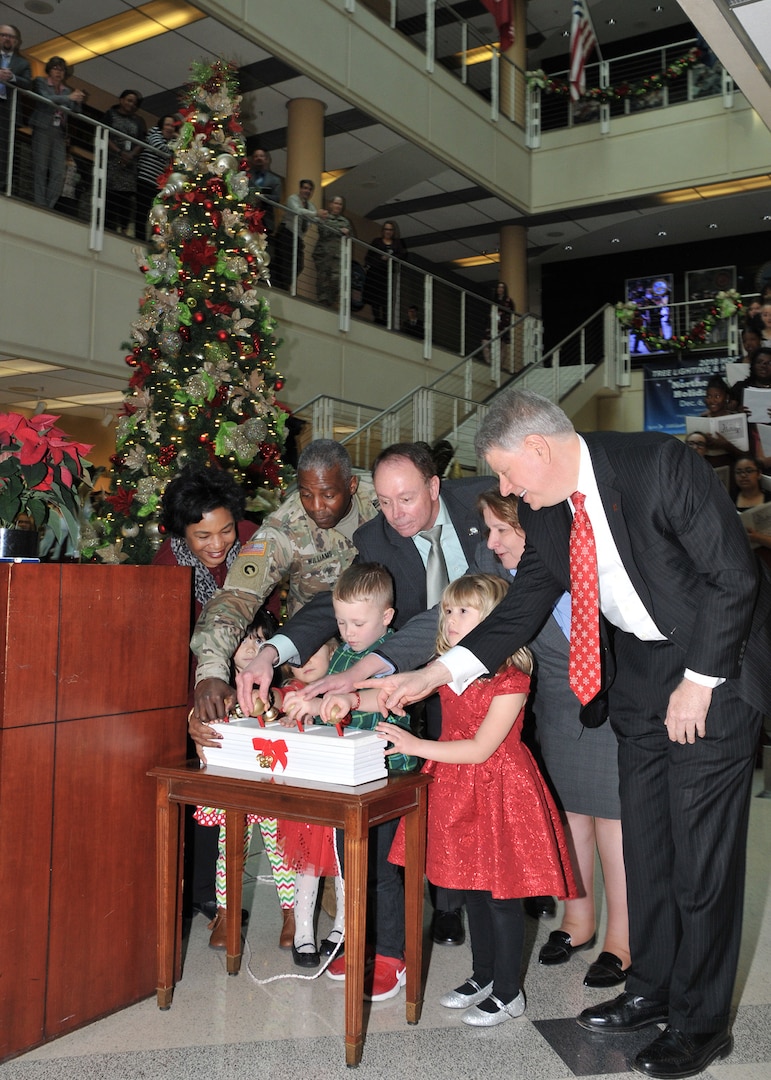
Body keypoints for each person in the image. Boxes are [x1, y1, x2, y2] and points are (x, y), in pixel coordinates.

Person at [366, 388, 771, 1080]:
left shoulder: (659, 465)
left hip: (714, 667)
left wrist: (698, 682)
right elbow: (521, 604)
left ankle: (700, 1024)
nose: (501, 489)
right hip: (641, 677)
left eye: (504, 472)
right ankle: (650, 990)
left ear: (537, 448)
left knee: (700, 857)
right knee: (646, 846)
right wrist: (436, 672)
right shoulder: (548, 510)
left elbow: (732, 579)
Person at [214, 443, 492, 947]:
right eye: (384, 503)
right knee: (441, 788)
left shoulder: (483, 501)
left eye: (405, 500)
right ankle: (444, 899)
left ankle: (472, 897)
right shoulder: (377, 538)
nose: (395, 515)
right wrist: (271, 654)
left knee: (481, 787)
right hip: (411, 670)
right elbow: (336, 603)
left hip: (494, 671)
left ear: (433, 487)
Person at [368, 574, 575, 1026]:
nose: (451, 618)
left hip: (500, 789)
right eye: (448, 610)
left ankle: (508, 992)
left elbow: (482, 748)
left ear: (496, 622)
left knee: (501, 896)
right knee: (472, 889)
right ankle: (483, 976)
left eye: (465, 610)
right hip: (457, 787)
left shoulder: (512, 679)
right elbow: (396, 685)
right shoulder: (447, 667)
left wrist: (415, 746)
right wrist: (341, 696)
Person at [476, 489, 630, 988]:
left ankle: (622, 941)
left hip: (616, 712)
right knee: (570, 825)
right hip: (560, 717)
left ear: (535, 533)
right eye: (489, 530)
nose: (492, 543)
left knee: (615, 830)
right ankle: (577, 922)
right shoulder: (506, 584)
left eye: (502, 531)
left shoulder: (595, 565)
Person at [280, 564, 416, 983]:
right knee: (350, 867)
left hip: (386, 776)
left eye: (358, 622)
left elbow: (380, 700)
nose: (349, 630)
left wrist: (325, 707)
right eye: (341, 621)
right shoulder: (342, 652)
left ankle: (392, 956)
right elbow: (329, 705)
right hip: (346, 778)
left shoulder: (394, 652)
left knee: (381, 870)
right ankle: (359, 944)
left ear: (387, 617)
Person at [189, 439, 379, 720]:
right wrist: (211, 673)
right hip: (318, 659)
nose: (316, 507)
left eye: (328, 495)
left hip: (388, 645)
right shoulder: (284, 528)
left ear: (350, 485)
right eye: (306, 494)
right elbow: (237, 596)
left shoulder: (383, 500)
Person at [153, 464, 260, 930]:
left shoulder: (256, 543)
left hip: (244, 686)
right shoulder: (168, 563)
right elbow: (160, 644)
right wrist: (187, 711)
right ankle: (186, 893)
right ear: (182, 534)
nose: (217, 545)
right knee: (189, 791)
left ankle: (216, 895)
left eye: (224, 531)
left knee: (223, 794)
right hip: (185, 690)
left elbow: (270, 617)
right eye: (202, 536)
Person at [195, 607, 296, 952]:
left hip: (270, 782)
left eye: (261, 640)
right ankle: (226, 914)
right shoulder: (216, 689)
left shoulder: (274, 688)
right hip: (232, 785)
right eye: (244, 640)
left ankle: (292, 913)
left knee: (281, 850)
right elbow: (199, 719)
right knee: (229, 850)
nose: (253, 648)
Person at [30, 57, 85, 210]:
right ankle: (39, 203)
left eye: (61, 69)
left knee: (59, 171)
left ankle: (49, 204)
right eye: (55, 68)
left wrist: (78, 100)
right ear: (49, 69)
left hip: (59, 132)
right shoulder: (41, 81)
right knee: (40, 167)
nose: (58, 72)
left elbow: (76, 111)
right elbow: (45, 99)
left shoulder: (67, 90)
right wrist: (68, 98)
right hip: (42, 127)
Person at [103, 89, 147, 234]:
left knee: (126, 198)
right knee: (110, 195)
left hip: (129, 165)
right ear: (121, 100)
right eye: (129, 100)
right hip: (112, 160)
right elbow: (104, 135)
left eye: (134, 102)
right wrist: (119, 152)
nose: (131, 104)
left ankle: (123, 228)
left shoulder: (138, 121)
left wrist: (130, 155)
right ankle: (108, 226)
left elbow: (141, 142)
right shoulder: (110, 114)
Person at [135, 113, 176, 240]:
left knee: (157, 213)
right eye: (167, 124)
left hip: (159, 184)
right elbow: (160, 148)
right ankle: (139, 238)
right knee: (142, 211)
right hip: (145, 179)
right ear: (161, 126)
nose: (170, 128)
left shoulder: (171, 142)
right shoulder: (154, 134)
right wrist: (172, 151)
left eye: (172, 126)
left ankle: (155, 240)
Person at [272, 178, 317, 290]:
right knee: (284, 261)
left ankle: (285, 284)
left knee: (298, 265)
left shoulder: (310, 206)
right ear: (300, 189)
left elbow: (315, 219)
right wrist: (315, 214)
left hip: (298, 237)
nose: (307, 191)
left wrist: (322, 216)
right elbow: (297, 211)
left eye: (310, 189)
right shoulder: (293, 198)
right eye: (305, 188)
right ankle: (281, 286)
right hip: (286, 233)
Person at [0, 25, 31, 188]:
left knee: (4, 148)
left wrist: (12, 77)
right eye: (4, 35)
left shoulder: (23, 63)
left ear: (17, 42)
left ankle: (2, 184)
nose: (7, 38)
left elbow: (27, 84)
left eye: (11, 37)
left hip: (7, 110)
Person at [312, 194, 353, 306]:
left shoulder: (345, 221)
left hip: (338, 255)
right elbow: (323, 231)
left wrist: (346, 232)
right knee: (323, 278)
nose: (338, 206)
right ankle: (322, 300)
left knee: (337, 279)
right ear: (331, 204)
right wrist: (339, 230)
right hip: (324, 253)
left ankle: (331, 300)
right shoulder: (324, 217)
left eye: (340, 204)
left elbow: (350, 235)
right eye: (336, 203)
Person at [364, 221, 407, 325]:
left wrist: (390, 258)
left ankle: (385, 319)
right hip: (375, 273)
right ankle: (377, 318)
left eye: (390, 230)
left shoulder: (397, 243)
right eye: (386, 229)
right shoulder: (377, 241)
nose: (388, 232)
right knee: (375, 296)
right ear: (383, 230)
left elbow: (402, 254)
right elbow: (369, 256)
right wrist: (379, 259)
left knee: (386, 297)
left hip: (387, 274)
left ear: (393, 231)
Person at [247, 147, 281, 240]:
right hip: (247, 218)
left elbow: (277, 198)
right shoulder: (246, 177)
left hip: (266, 221)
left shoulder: (274, 180)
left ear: (266, 159)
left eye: (261, 156)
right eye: (256, 156)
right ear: (253, 160)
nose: (259, 158)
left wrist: (263, 197)